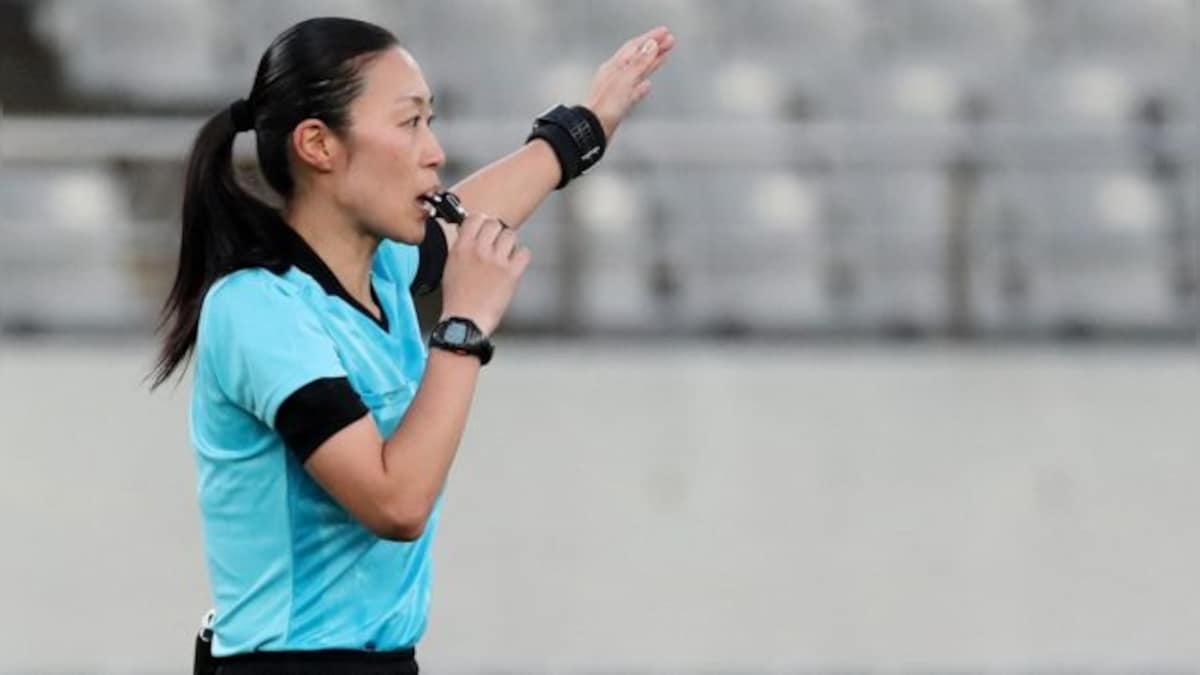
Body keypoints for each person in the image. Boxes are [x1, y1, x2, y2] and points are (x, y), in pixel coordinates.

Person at [148, 15, 674, 675]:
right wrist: (463, 328)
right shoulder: (257, 308)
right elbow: (395, 502)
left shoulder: (382, 274)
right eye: (409, 123)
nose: (434, 151)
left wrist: (589, 122)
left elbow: (483, 205)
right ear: (318, 144)